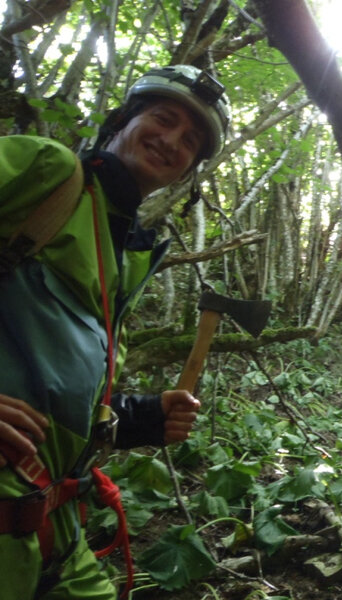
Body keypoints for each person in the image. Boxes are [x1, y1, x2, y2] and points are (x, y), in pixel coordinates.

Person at [0, 64, 230, 600]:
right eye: (162, 118)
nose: (171, 140)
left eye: (190, 140)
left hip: (53, 524)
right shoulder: (46, 173)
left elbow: (54, 385)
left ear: (189, 170)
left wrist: (137, 416)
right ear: (123, 120)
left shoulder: (126, 252)